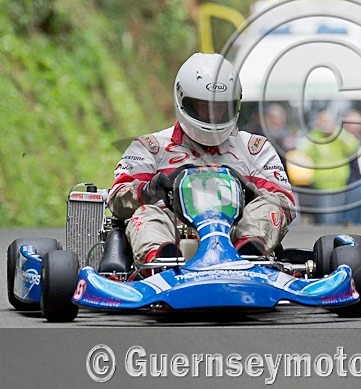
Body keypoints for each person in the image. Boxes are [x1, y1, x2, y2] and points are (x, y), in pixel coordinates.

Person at [107, 53, 296, 267]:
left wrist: (251, 193)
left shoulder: (255, 148)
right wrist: (151, 189)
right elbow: (116, 199)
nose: (212, 114)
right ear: (183, 100)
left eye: (220, 106)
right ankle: (160, 262)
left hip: (235, 236)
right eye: (203, 105)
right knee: (147, 212)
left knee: (269, 205)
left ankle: (248, 253)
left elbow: (285, 204)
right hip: (175, 235)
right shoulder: (151, 147)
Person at [298, 108, 360, 225]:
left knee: (338, 218)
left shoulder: (338, 135)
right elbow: (304, 150)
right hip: (322, 185)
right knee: (326, 219)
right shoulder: (314, 137)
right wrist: (315, 131)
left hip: (340, 184)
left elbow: (353, 146)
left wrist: (336, 132)